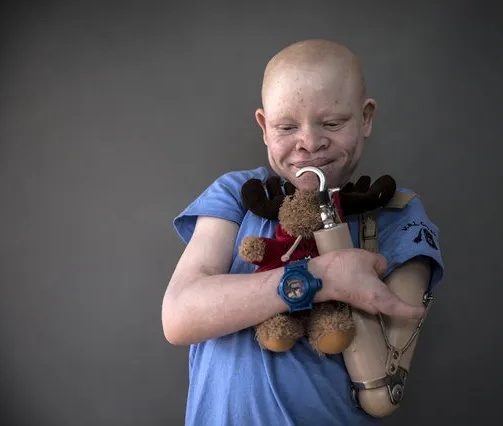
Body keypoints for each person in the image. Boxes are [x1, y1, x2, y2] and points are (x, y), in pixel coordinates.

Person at [162, 39, 445, 426]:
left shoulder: (396, 215)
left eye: (332, 123)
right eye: (286, 126)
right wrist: (320, 279)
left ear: (365, 118)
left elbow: (383, 393)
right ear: (264, 127)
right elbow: (180, 316)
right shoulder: (238, 196)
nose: (310, 143)